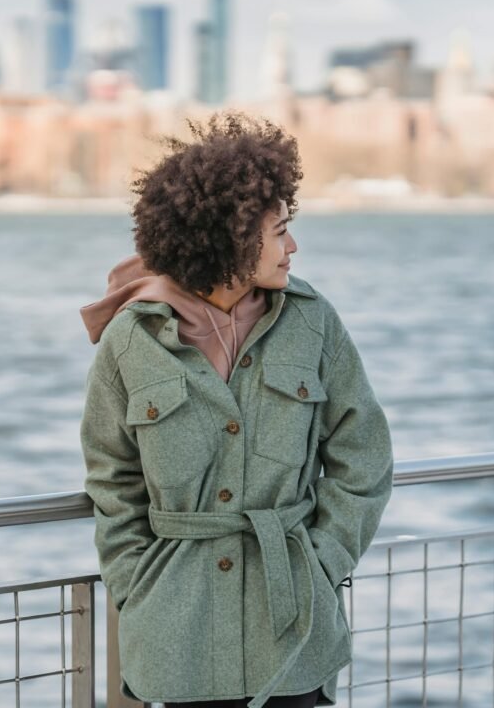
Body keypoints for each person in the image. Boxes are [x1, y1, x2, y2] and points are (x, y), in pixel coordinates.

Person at [79, 114, 393, 707]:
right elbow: (112, 480)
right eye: (279, 231)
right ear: (228, 236)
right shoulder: (130, 341)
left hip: (293, 633)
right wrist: (137, 585)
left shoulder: (311, 321)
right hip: (179, 640)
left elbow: (364, 456)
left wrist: (322, 563)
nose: (292, 246)